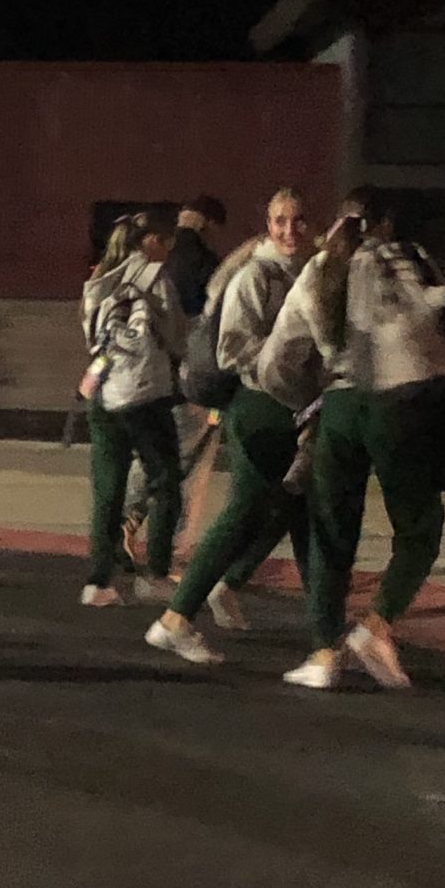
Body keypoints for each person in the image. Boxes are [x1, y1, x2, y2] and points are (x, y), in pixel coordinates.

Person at [270, 190, 445, 691]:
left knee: (331, 533)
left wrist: (304, 401)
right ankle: (377, 625)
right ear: (387, 222)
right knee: (420, 526)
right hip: (398, 407)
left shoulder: (319, 268)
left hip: (340, 405)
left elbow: (277, 358)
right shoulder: (406, 260)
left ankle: (323, 652)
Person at [146, 188, 315, 663]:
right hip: (258, 407)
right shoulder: (256, 275)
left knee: (285, 511)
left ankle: (323, 633)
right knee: (245, 512)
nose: (289, 230)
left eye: (298, 221)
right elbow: (233, 350)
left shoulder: (302, 272)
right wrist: (285, 371)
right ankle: (176, 617)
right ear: (267, 223)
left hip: (287, 411)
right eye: (280, 220)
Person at [78, 212, 187, 606]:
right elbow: (176, 338)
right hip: (146, 397)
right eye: (167, 241)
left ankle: (98, 582)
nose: (170, 250)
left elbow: (91, 334)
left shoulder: (97, 283)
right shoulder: (155, 279)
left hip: (104, 395)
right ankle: (155, 573)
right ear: (150, 241)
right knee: (167, 483)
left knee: (108, 490)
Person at [123, 196, 229, 558]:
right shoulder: (207, 266)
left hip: (140, 379)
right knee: (183, 465)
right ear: (208, 224)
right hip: (187, 381)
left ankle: (125, 521)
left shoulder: (144, 261)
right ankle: (155, 542)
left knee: (148, 454)